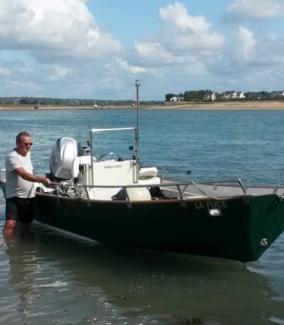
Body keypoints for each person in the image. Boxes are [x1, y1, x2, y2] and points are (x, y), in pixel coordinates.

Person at [4, 131, 51, 236]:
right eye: (26, 144)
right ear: (17, 144)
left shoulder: (28, 154)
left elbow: (30, 171)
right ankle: (8, 247)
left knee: (26, 224)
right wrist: (41, 179)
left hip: (29, 197)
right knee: (10, 224)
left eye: (30, 144)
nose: (29, 146)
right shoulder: (12, 157)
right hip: (14, 197)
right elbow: (23, 174)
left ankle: (22, 246)